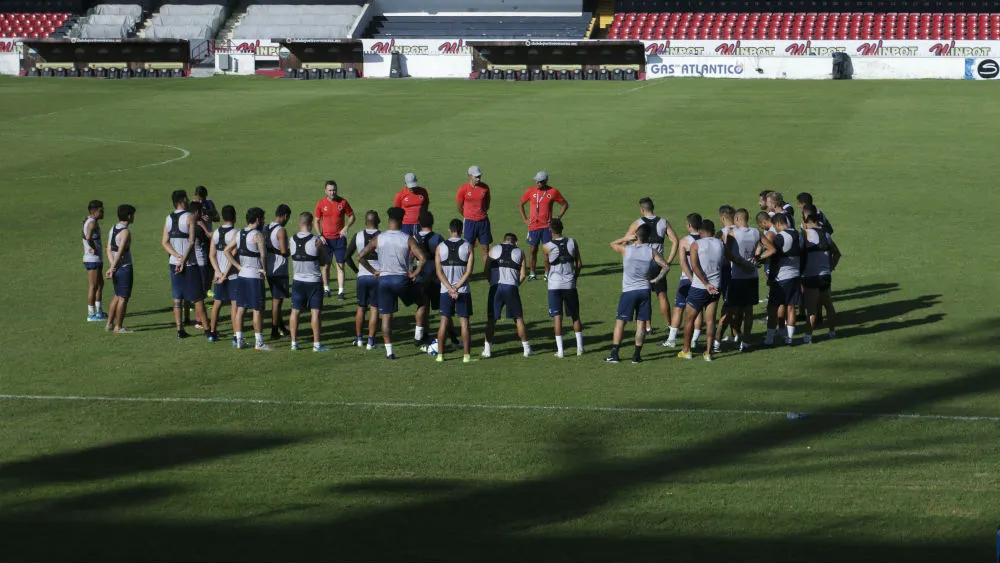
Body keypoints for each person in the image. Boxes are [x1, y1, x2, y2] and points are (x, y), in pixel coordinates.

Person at [358, 207, 428, 360]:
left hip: (384, 281)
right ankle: (418, 335)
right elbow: (422, 258)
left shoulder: (379, 238)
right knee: (422, 302)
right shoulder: (407, 238)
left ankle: (389, 351)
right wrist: (414, 273)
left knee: (386, 316)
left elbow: (360, 256)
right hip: (401, 279)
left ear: (389, 220)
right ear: (401, 221)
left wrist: (374, 271)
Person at [607, 225, 669, 364]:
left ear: (636, 235)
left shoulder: (627, 249)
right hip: (644, 290)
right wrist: (656, 280)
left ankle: (615, 354)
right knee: (641, 324)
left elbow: (612, 244)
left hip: (629, 291)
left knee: (620, 322)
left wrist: (626, 238)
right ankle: (636, 356)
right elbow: (666, 266)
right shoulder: (651, 251)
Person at [625, 197, 678, 335]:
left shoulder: (638, 223)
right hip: (658, 264)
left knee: (645, 296)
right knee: (662, 295)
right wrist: (668, 260)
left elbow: (626, 240)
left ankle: (648, 327)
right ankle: (669, 325)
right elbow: (675, 241)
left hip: (643, 263)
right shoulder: (663, 222)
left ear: (642, 209)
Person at [161, 189, 208, 339]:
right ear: (182, 200)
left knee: (177, 297)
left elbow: (164, 242)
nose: (188, 200)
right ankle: (208, 330)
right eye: (186, 198)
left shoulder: (168, 218)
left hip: (173, 263)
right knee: (198, 297)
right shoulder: (190, 217)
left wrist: (176, 256)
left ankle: (180, 330)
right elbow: (192, 241)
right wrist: (183, 259)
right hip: (189, 263)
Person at [225, 207, 271, 351]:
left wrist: (238, 267)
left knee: (241, 308)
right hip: (255, 276)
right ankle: (259, 342)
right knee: (257, 309)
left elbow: (226, 251)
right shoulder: (258, 235)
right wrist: (264, 270)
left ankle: (239, 340)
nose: (263, 221)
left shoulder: (239, 233)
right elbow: (263, 255)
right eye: (262, 218)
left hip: (242, 275)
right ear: (257, 219)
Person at [679, 220, 726, 361]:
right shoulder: (720, 244)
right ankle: (708, 352)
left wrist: (706, 283)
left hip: (700, 287)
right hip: (716, 286)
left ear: (700, 231)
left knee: (689, 319)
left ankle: (686, 350)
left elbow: (694, 266)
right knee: (710, 321)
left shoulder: (696, 244)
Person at [718, 208, 761, 353]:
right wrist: (757, 259)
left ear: (736, 219)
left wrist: (742, 263)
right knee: (748, 311)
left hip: (736, 276)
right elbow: (769, 248)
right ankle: (745, 341)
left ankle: (717, 340)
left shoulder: (732, 233)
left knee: (730, 309)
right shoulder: (756, 232)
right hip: (752, 276)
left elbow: (727, 254)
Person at [483, 233, 531, 358]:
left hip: (496, 287)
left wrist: (492, 282)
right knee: (518, 318)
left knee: (491, 320)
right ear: (515, 242)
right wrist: (515, 285)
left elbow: (486, 270)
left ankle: (487, 350)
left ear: (503, 240)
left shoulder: (493, 249)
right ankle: (526, 349)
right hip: (511, 288)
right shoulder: (520, 252)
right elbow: (523, 275)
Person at [541, 218, 584, 358]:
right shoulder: (572, 242)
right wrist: (574, 277)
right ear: (562, 228)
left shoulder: (546, 246)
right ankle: (580, 348)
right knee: (575, 316)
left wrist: (547, 275)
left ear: (550, 230)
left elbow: (547, 265)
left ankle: (560, 351)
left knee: (557, 318)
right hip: (570, 284)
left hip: (554, 286)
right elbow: (579, 264)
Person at [434, 219, 475, 363]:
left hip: (445, 291)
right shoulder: (468, 246)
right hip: (463, 290)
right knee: (464, 323)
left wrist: (449, 288)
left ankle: (440, 355)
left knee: (444, 322)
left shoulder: (440, 247)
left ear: (449, 230)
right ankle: (466, 356)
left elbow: (439, 271)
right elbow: (469, 271)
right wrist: (456, 287)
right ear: (462, 231)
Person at [288, 211, 329, 351]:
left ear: (299, 223)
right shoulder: (316, 241)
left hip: (297, 280)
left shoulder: (292, 239)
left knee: (295, 311)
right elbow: (324, 261)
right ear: (311, 223)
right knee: (315, 312)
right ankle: (316, 344)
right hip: (314, 281)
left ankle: (294, 343)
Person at [758, 213, 801, 346]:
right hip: (796, 275)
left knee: (772, 308)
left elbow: (773, 256)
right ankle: (789, 338)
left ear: (777, 224)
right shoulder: (799, 235)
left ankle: (769, 339)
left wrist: (760, 260)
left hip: (781, 277)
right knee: (791, 307)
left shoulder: (780, 237)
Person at [518, 171, 568, 281]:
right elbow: (521, 203)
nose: (537, 183)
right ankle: (532, 273)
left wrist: (558, 218)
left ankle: (547, 273)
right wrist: (525, 219)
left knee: (547, 252)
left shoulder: (553, 192)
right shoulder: (530, 191)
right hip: (533, 226)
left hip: (547, 227)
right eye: (536, 180)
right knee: (532, 250)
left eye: (540, 181)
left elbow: (564, 204)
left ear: (545, 181)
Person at [663, 213, 703, 349]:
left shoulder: (685, 241)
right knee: (698, 310)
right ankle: (694, 340)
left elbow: (683, 263)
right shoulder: (706, 239)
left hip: (687, 279)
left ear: (689, 225)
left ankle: (672, 339)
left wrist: (691, 278)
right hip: (702, 280)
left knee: (678, 308)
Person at [800, 211, 841, 342]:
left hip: (811, 276)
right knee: (828, 305)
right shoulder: (826, 234)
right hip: (825, 276)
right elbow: (837, 253)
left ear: (806, 221)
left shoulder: (805, 234)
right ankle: (832, 332)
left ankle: (807, 337)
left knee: (811, 310)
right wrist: (831, 267)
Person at [346, 210, 382, 350]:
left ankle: (359, 339)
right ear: (378, 221)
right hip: (377, 276)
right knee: (374, 308)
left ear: (365, 221)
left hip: (362, 277)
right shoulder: (383, 236)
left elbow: (347, 257)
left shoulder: (358, 235)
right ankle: (371, 342)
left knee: (361, 307)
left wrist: (357, 271)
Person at [314, 180, 355, 300]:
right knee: (325, 266)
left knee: (340, 265)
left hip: (339, 240)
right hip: (326, 240)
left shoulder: (343, 202)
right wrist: (319, 235)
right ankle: (326, 289)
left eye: (334, 190)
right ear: (325, 191)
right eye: (330, 190)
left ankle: (341, 291)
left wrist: (346, 227)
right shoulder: (321, 203)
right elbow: (316, 220)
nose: (332, 192)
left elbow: (352, 216)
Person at [413, 210, 444, 347]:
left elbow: (409, 257)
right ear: (432, 222)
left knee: (422, 305)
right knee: (442, 309)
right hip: (435, 276)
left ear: (419, 223)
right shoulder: (438, 238)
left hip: (419, 275)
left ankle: (419, 334)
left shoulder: (413, 238)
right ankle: (450, 336)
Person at [208, 205, 239, 343]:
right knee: (234, 304)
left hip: (219, 275)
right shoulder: (236, 233)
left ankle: (212, 333)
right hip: (232, 275)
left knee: (217, 303)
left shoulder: (216, 232)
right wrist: (225, 274)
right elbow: (233, 255)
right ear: (234, 217)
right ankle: (235, 336)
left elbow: (211, 255)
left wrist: (218, 272)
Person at [104, 204, 135, 334]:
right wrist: (113, 267)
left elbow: (108, 248)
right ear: (129, 216)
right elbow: (121, 251)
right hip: (124, 268)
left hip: (116, 268)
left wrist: (112, 266)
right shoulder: (125, 232)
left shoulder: (113, 228)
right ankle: (118, 327)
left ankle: (109, 324)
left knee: (117, 295)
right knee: (123, 298)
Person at [456, 165, 492, 267]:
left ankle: (487, 273)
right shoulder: (463, 189)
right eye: (476, 177)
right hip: (469, 223)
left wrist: (481, 213)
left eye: (479, 176)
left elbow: (487, 203)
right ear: (469, 176)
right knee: (469, 250)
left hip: (483, 222)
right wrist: (468, 215)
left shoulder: (485, 188)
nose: (478, 178)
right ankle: (469, 273)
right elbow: (459, 207)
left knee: (485, 249)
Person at [265, 204, 291, 340]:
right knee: (277, 301)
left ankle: (282, 328)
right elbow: (284, 251)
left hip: (269, 268)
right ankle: (274, 331)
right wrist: (293, 250)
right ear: (285, 216)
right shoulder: (281, 231)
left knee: (277, 300)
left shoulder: (266, 228)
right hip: (279, 269)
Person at [712, 205, 736, 351]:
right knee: (739, 307)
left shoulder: (721, 234)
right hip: (744, 273)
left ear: (722, 217)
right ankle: (736, 335)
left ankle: (717, 340)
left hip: (725, 273)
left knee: (726, 307)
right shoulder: (743, 230)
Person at [186, 200, 212, 328]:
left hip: (192, 262)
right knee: (200, 294)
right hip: (200, 262)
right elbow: (209, 238)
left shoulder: (187, 225)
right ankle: (199, 320)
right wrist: (204, 226)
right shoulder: (196, 227)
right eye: (201, 212)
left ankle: (192, 319)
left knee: (195, 292)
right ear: (197, 212)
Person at [82, 200, 106, 322]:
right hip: (92, 259)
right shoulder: (91, 223)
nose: (103, 212)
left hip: (96, 259)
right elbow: (88, 237)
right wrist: (92, 247)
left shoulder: (91, 221)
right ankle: (91, 314)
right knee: (93, 286)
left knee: (100, 284)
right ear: (93, 211)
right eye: (101, 210)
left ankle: (99, 311)